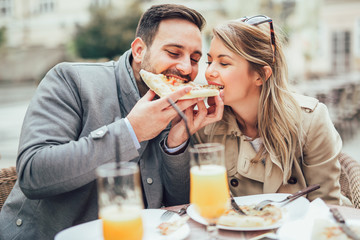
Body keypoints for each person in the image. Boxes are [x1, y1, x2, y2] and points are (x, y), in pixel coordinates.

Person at [0, 4, 223, 240]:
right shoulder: (71, 80)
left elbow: (177, 208)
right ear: (139, 50)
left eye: (195, 58)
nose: (186, 67)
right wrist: (132, 131)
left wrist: (175, 145)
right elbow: (33, 174)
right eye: (173, 53)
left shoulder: (180, 107)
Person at [168, 15, 350, 205]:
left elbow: (326, 206)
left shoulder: (312, 121)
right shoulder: (207, 126)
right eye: (209, 61)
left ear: (260, 75)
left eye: (224, 63)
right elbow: (195, 201)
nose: (209, 72)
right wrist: (176, 143)